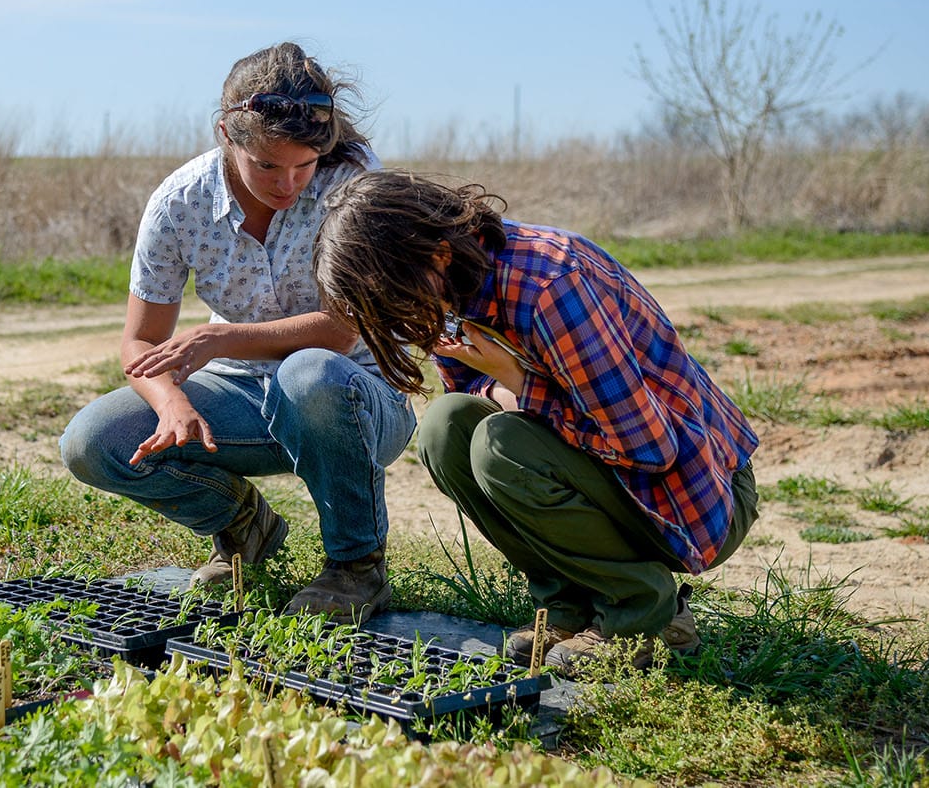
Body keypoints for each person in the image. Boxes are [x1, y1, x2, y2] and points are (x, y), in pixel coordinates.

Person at [312, 169, 759, 675]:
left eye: (393, 298)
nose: (399, 319)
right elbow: (471, 405)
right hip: (621, 479)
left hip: (696, 497)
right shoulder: (454, 290)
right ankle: (568, 606)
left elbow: (648, 448)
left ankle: (640, 613)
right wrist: (505, 387)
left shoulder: (550, 287)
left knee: (500, 445)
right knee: (446, 427)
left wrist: (519, 385)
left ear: (437, 253)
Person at [59, 43, 416, 624]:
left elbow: (338, 330)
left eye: (304, 165)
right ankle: (244, 528)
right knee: (92, 442)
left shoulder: (352, 183)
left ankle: (356, 569)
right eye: (269, 166)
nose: (289, 183)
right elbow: (141, 343)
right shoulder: (179, 203)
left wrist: (218, 339)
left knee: (310, 372)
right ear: (228, 133)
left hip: (355, 399)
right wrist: (171, 400)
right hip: (244, 397)